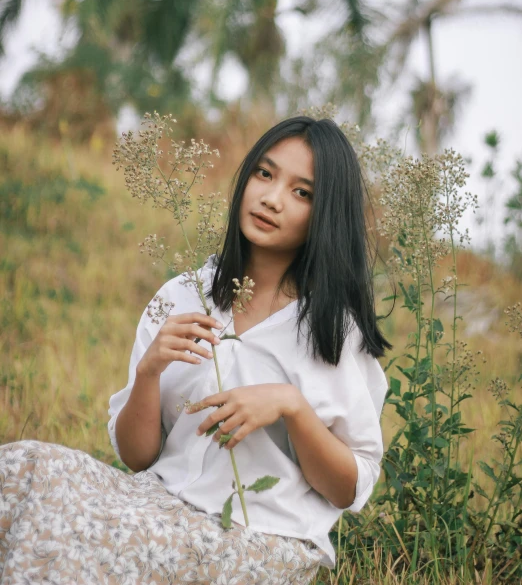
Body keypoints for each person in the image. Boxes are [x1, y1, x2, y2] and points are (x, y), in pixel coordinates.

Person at [0, 115, 391, 584]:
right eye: (264, 174)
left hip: (261, 536)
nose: (271, 198)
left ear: (325, 214)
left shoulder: (333, 331)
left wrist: (291, 406)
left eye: (301, 192)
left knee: (81, 537)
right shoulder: (185, 294)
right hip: (159, 501)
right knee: (24, 468)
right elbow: (137, 457)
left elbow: (350, 486)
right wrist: (148, 372)